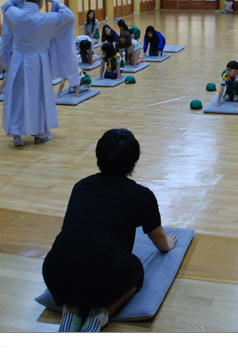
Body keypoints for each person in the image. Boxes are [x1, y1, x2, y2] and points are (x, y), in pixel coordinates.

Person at [42, 129, 178, 333]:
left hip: (55, 274)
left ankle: (71, 310)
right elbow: (158, 238)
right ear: (134, 162)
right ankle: (100, 316)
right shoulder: (142, 196)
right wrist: (168, 245)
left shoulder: (81, 186)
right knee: (136, 270)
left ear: (99, 157)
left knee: (79, 271)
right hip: (105, 281)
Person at [0, 0, 78, 147]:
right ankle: (40, 133)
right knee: (38, 97)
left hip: (18, 61)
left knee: (18, 96)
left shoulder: (15, 15)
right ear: (41, 3)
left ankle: (16, 133)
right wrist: (54, 1)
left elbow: (6, 6)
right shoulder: (45, 19)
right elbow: (69, 15)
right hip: (38, 62)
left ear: (25, 0)